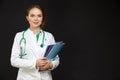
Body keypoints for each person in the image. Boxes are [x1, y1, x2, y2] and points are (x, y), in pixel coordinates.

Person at [10, 4, 60, 80]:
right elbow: (14, 60)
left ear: (42, 18)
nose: (36, 19)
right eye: (32, 16)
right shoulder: (19, 36)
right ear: (27, 18)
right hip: (25, 77)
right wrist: (35, 63)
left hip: (45, 77)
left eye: (39, 16)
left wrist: (50, 65)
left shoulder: (49, 36)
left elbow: (56, 59)